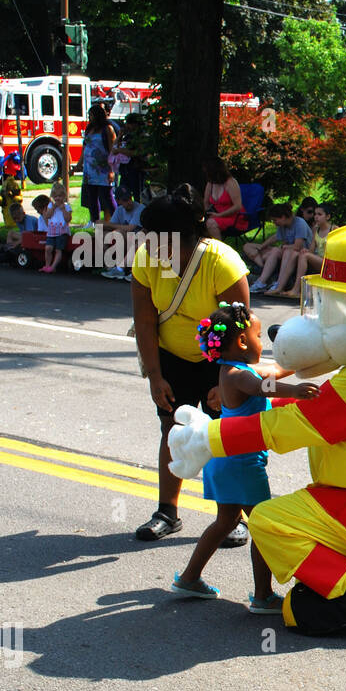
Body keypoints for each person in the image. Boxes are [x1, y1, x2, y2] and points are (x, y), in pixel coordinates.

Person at [170, 303, 319, 610]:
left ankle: (188, 578)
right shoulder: (239, 375)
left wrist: (312, 359)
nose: (262, 342)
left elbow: (275, 371)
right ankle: (263, 595)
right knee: (263, 525)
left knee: (224, 522)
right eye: (259, 335)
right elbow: (265, 386)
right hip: (241, 464)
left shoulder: (231, 370)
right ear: (241, 342)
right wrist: (295, 391)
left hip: (225, 459)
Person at [131, 184, 252, 546]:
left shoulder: (222, 263)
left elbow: (239, 331)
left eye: (155, 236)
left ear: (181, 236)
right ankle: (166, 512)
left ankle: (235, 516)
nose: (148, 243)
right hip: (171, 357)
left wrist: (226, 380)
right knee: (173, 430)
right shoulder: (147, 261)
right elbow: (145, 321)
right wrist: (155, 376)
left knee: (225, 435)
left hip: (218, 360)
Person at [246, 202, 312, 295]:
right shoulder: (282, 226)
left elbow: (298, 246)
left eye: (275, 220)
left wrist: (284, 246)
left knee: (287, 250)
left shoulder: (299, 223)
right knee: (276, 250)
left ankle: (279, 284)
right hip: (289, 252)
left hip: (301, 252)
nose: (274, 223)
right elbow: (281, 241)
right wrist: (265, 247)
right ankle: (261, 282)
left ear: (283, 217)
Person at [99, 186, 147, 281]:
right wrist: (101, 224)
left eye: (129, 198)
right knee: (102, 232)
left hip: (139, 239)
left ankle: (121, 269)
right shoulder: (119, 210)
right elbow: (112, 225)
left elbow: (130, 228)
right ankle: (110, 266)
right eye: (125, 200)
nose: (129, 202)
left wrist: (108, 224)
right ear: (117, 201)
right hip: (128, 241)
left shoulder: (140, 208)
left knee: (119, 232)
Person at [80, 105, 115, 226]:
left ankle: (115, 219)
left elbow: (112, 149)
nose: (90, 117)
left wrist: (112, 169)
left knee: (106, 196)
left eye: (91, 114)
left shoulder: (107, 129)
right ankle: (94, 220)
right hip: (89, 169)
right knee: (91, 196)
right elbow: (85, 147)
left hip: (103, 169)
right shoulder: (89, 129)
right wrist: (79, 164)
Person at [202, 157, 247, 240]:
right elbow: (206, 202)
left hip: (235, 217)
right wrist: (206, 214)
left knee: (211, 223)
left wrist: (219, 215)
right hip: (216, 215)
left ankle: (219, 250)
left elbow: (238, 206)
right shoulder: (210, 183)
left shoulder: (231, 183)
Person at [294, 201, 333, 285]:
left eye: (319, 214)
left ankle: (296, 289)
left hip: (330, 263)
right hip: (319, 260)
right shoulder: (315, 230)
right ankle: (297, 286)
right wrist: (305, 250)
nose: (316, 217)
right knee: (302, 254)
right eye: (315, 214)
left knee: (305, 255)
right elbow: (311, 250)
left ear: (328, 216)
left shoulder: (334, 229)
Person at [41, 182, 72, 274]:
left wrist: (63, 210)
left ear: (64, 196)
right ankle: (47, 265)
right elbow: (48, 216)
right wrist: (53, 208)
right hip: (51, 231)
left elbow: (68, 219)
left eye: (60, 196)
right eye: (55, 196)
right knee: (48, 248)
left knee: (58, 249)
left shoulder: (67, 206)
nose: (57, 198)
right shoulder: (51, 206)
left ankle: (53, 266)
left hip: (62, 231)